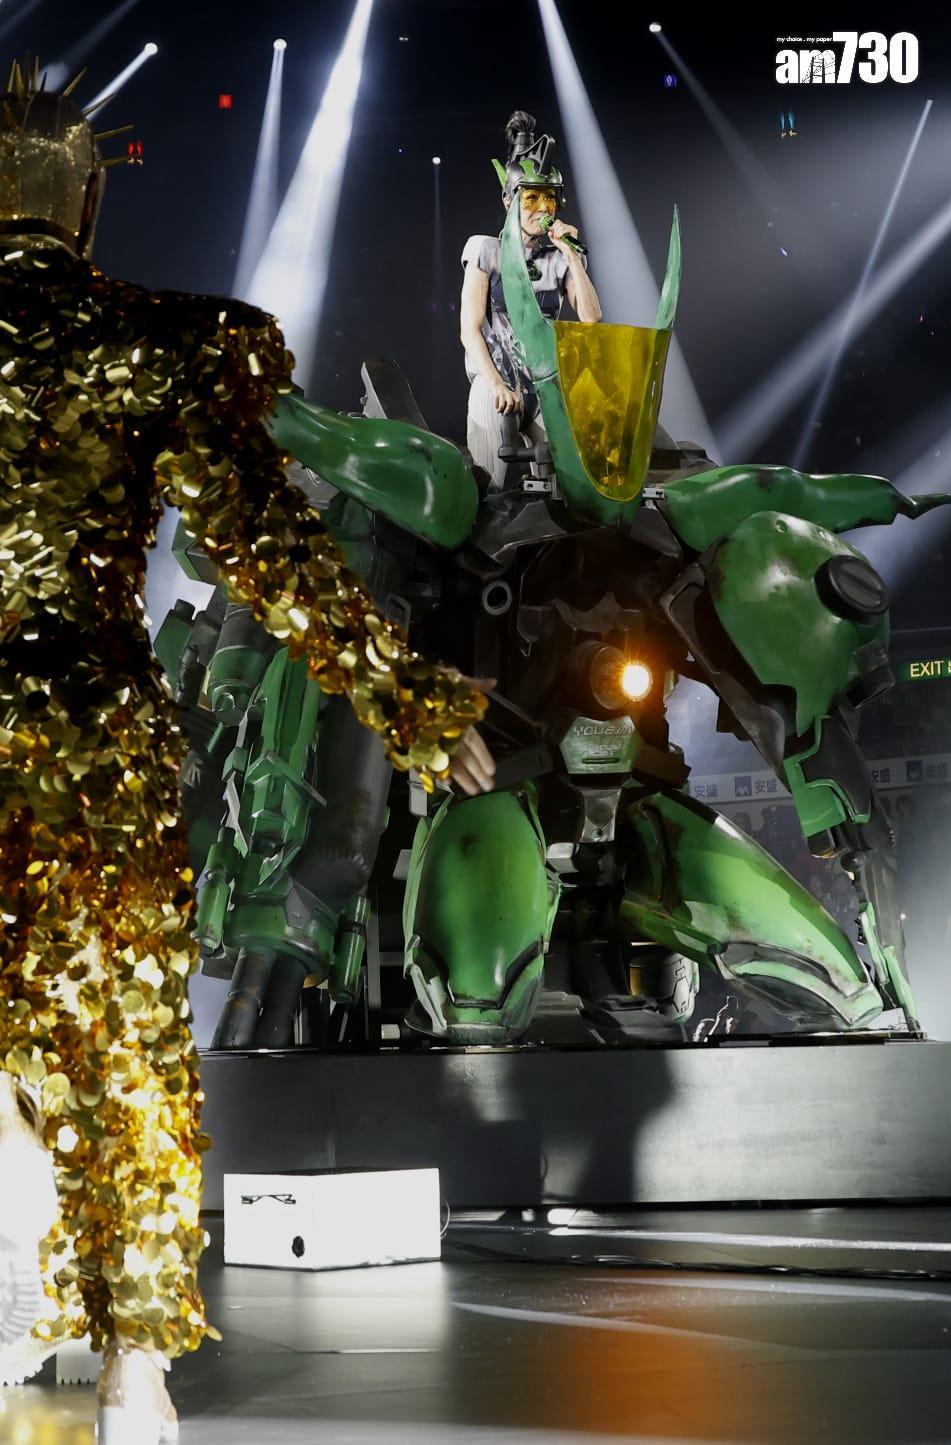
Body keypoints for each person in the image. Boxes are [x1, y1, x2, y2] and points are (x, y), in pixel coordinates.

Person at [0, 58, 492, 1440]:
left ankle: (43, 1262)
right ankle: (134, 1366)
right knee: (128, 1040)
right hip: (89, 733)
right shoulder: (155, 343)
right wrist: (408, 697)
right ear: (86, 203)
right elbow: (275, 552)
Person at [459, 110, 602, 491]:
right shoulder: (485, 251)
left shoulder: (561, 260)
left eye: (549, 198)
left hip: (546, 386)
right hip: (497, 383)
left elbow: (592, 320)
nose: (542, 207)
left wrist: (572, 256)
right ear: (509, 200)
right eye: (532, 198)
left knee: (568, 487)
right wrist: (495, 384)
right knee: (488, 486)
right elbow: (470, 329)